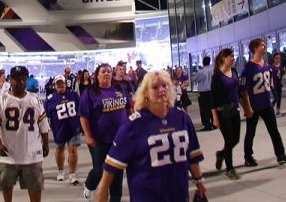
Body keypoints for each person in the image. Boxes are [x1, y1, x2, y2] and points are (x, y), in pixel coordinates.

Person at [97, 70, 207, 202]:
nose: (161, 90)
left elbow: (192, 154)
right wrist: (102, 194)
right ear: (146, 93)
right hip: (146, 195)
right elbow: (111, 168)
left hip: (178, 194)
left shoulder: (182, 117)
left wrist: (199, 180)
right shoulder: (133, 125)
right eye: (155, 87)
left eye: (165, 85)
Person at [0, 66, 50, 202]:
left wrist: (45, 144)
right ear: (11, 80)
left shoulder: (35, 100)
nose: (21, 82)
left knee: (35, 187)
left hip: (32, 154)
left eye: (24, 79)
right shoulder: (2, 100)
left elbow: (43, 124)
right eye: (17, 79)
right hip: (7, 155)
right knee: (6, 187)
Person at [80, 62, 132, 201]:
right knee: (99, 171)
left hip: (119, 140)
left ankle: (115, 198)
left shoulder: (120, 88)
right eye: (103, 71)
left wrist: (131, 128)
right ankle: (89, 186)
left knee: (117, 172)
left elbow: (128, 109)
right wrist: (88, 136)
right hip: (99, 140)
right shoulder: (90, 92)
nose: (107, 74)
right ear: (97, 75)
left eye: (109, 71)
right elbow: (84, 116)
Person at [240, 38, 286, 167]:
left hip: (266, 104)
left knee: (274, 130)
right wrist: (248, 107)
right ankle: (248, 156)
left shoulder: (267, 65)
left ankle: (280, 155)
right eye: (262, 45)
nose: (264, 47)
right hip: (254, 105)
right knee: (251, 132)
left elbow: (270, 84)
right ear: (255, 48)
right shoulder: (248, 69)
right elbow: (243, 90)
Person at [209, 47, 244, 179]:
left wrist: (246, 107)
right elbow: (212, 99)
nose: (233, 59)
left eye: (233, 56)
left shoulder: (234, 72)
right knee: (229, 139)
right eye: (231, 56)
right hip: (222, 112)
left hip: (235, 110)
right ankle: (230, 168)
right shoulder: (217, 76)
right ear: (224, 59)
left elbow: (238, 92)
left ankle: (221, 154)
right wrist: (215, 118)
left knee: (236, 139)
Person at [45, 75, 82, 184]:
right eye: (58, 84)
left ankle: (72, 174)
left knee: (73, 150)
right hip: (59, 129)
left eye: (62, 83)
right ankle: (61, 171)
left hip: (73, 128)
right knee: (60, 149)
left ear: (66, 83)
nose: (60, 85)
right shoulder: (50, 99)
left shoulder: (73, 95)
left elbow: (81, 108)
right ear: (55, 85)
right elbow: (46, 115)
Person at [191, 56, 215, 131]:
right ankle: (214, 123)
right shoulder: (213, 70)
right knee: (212, 108)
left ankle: (207, 125)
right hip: (212, 91)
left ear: (203, 62)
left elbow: (194, 79)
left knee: (204, 110)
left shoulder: (201, 71)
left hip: (204, 93)